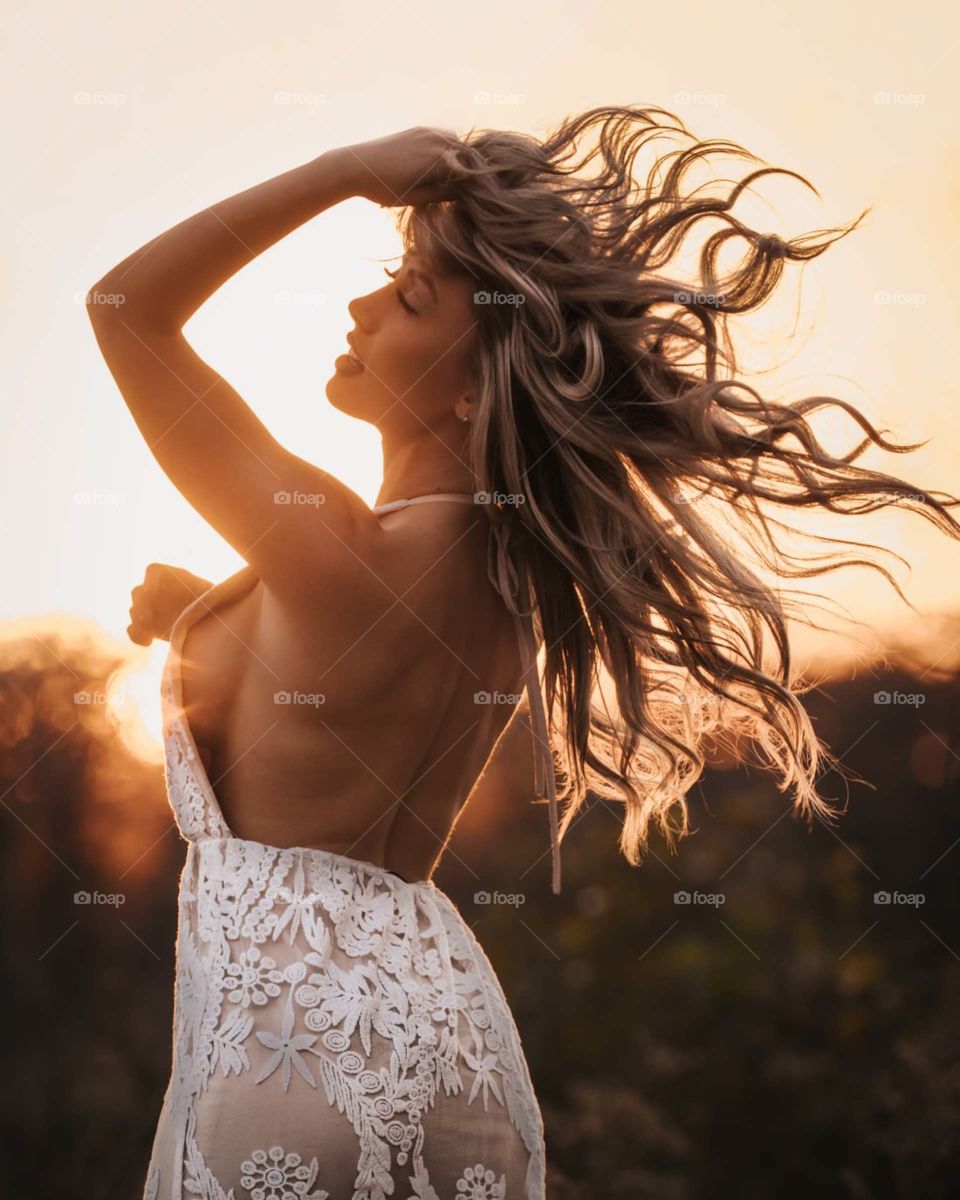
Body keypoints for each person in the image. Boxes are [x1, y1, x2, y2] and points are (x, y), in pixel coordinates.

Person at [90, 106, 960, 1200]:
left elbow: (124, 310)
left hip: (287, 1041)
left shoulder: (331, 548)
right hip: (452, 1035)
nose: (359, 306)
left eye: (408, 299)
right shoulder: (514, 582)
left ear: (471, 386)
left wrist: (342, 170)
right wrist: (202, 615)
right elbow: (338, 701)